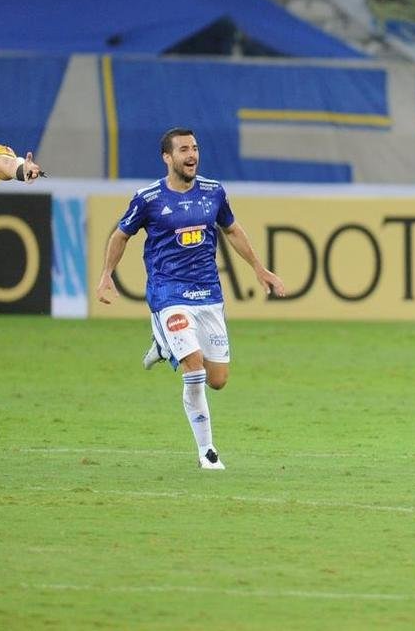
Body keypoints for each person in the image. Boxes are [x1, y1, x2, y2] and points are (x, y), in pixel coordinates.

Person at [95, 128, 285, 470]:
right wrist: (107, 273)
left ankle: (163, 345)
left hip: (208, 294)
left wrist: (260, 268)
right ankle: (207, 452)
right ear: (167, 157)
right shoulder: (148, 198)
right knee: (194, 368)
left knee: (218, 380)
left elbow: (232, 230)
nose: (191, 154)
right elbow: (121, 235)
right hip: (168, 294)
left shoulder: (214, 192)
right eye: (183, 149)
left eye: (195, 148)